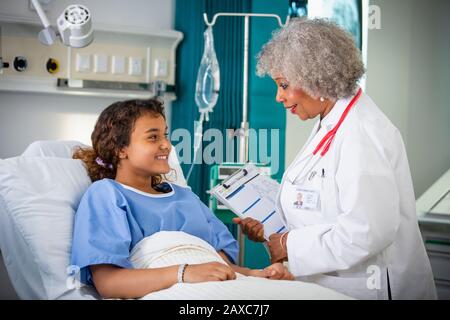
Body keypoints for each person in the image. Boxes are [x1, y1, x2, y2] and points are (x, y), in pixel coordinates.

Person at [233, 18, 437, 300]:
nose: (279, 97)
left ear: (315, 79)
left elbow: (366, 232)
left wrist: (291, 245)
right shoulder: (331, 121)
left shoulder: (361, 133)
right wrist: (271, 231)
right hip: (330, 284)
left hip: (370, 288)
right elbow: (321, 204)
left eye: (283, 85)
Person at [71, 98, 292, 299]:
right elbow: (108, 284)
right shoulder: (106, 194)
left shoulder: (186, 197)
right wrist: (183, 272)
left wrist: (259, 273)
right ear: (120, 149)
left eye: (165, 135)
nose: (166, 144)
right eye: (153, 137)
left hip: (220, 286)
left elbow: (217, 268)